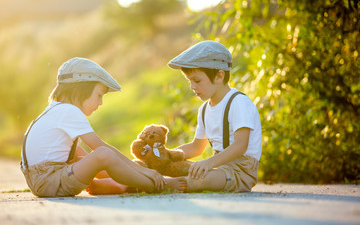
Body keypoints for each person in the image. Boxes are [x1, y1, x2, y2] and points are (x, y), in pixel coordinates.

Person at [21, 57, 185, 197]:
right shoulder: (69, 110)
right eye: (99, 95)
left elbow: (86, 160)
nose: (100, 103)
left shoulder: (54, 111)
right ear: (80, 90)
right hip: (50, 179)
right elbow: (100, 148)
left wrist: (134, 169)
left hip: (43, 180)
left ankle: (122, 183)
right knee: (103, 153)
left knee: (87, 157)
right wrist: (145, 171)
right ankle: (159, 184)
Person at [168, 41, 262, 192]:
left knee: (200, 180)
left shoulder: (239, 102)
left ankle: (163, 183)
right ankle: (150, 175)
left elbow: (240, 145)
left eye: (197, 81)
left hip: (239, 170)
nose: (192, 87)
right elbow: (196, 147)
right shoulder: (205, 109)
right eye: (190, 81)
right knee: (165, 165)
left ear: (219, 75)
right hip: (217, 166)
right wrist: (167, 156)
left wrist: (208, 163)